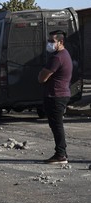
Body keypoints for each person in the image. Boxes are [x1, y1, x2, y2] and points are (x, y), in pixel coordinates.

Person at [38, 30, 73, 164]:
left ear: (60, 42)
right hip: (60, 94)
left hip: (56, 95)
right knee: (56, 125)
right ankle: (61, 153)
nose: (49, 44)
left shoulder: (57, 57)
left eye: (52, 41)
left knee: (57, 125)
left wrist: (41, 74)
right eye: (49, 41)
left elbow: (42, 78)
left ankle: (60, 154)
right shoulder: (64, 54)